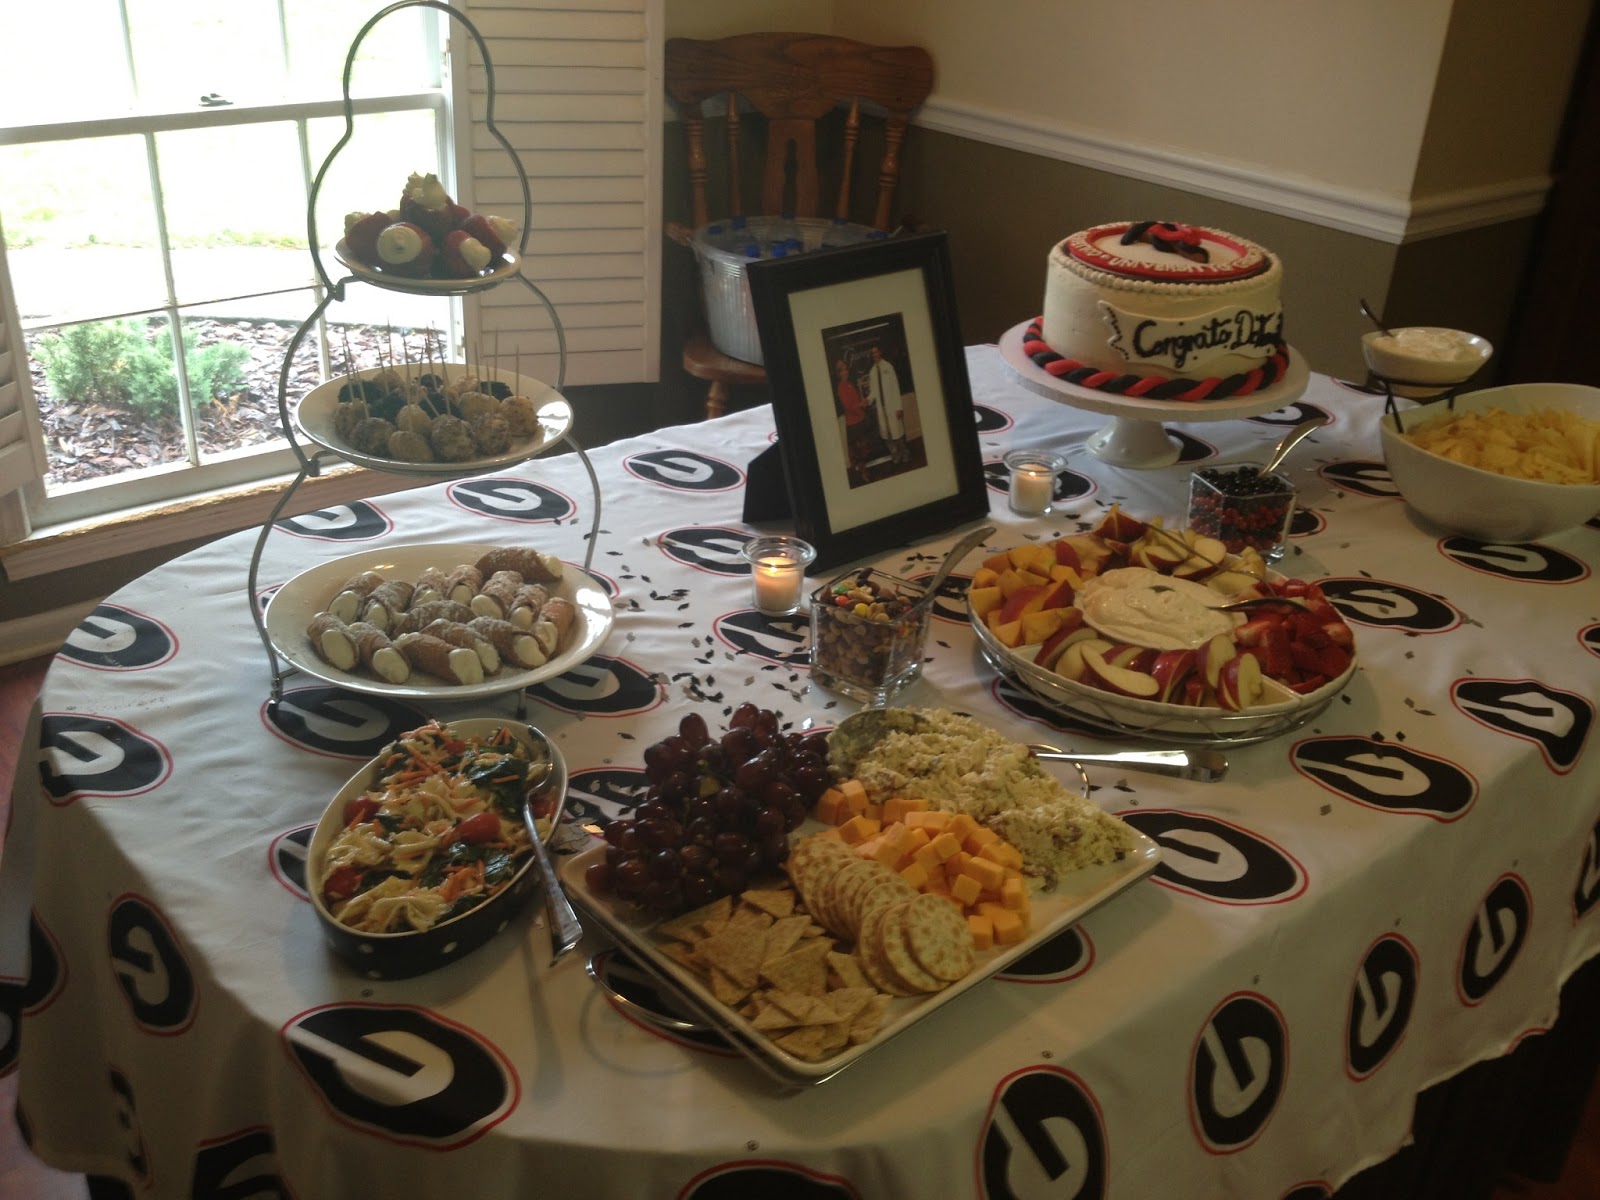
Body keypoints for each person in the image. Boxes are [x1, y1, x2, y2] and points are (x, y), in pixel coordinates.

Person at [863, 345, 907, 464]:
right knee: (887, 435)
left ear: (880, 352)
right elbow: (873, 391)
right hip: (881, 409)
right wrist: (868, 400)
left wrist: (898, 407)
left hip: (892, 406)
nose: (874, 355)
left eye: (876, 352)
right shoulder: (872, 372)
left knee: (897, 433)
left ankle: (904, 453)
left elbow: (895, 388)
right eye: (872, 353)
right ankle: (895, 455)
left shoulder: (888, 367)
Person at [834, 359, 871, 482]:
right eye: (842, 371)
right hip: (853, 425)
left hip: (860, 420)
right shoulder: (841, 387)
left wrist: (863, 403)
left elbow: (856, 401)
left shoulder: (850, 384)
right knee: (859, 452)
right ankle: (862, 474)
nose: (845, 372)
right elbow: (848, 407)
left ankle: (862, 471)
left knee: (864, 450)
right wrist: (861, 404)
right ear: (839, 374)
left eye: (846, 370)